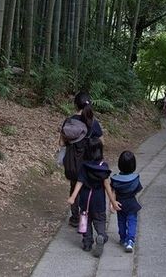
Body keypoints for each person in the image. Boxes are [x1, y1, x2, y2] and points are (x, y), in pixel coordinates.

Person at [67, 139, 120, 256]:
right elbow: (107, 186)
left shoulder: (84, 167)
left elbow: (79, 182)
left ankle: (87, 243)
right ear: (100, 151)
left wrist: (73, 197)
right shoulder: (104, 167)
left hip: (85, 200)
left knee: (85, 221)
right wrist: (113, 201)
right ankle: (101, 235)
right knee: (100, 220)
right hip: (98, 200)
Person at [59, 91, 103, 227]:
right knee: (86, 189)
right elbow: (101, 143)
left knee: (74, 187)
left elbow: (61, 143)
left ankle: (74, 218)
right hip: (89, 161)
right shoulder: (93, 123)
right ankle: (85, 223)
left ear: (75, 105)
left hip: (72, 162)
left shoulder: (69, 122)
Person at [110, 151, 143, 252]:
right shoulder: (135, 178)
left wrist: (111, 203)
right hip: (132, 203)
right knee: (132, 221)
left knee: (121, 221)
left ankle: (123, 238)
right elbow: (138, 189)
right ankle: (130, 240)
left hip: (120, 203)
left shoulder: (115, 179)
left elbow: (113, 191)